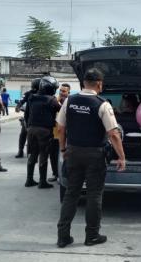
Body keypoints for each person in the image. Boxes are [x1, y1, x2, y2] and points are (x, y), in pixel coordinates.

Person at [57, 68, 125, 248]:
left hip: (72, 152)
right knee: (94, 195)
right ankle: (92, 236)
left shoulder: (69, 101)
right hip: (95, 155)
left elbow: (61, 128)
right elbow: (114, 134)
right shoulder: (102, 104)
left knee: (71, 194)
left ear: (83, 83)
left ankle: (63, 236)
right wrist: (122, 157)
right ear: (99, 84)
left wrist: (63, 148)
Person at [24, 76, 61, 188]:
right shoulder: (52, 100)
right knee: (44, 154)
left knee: (33, 154)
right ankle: (42, 182)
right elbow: (62, 111)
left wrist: (28, 127)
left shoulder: (31, 98)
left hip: (31, 129)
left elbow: (26, 115)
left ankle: (29, 180)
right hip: (44, 131)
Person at [48, 83, 71, 183]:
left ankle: (65, 175)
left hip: (65, 135)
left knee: (64, 156)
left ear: (68, 92)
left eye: (64, 91)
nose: (61, 93)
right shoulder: (54, 101)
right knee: (53, 155)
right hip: (54, 133)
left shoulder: (70, 102)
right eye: (60, 90)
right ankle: (55, 174)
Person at [15, 79, 41, 158]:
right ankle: (20, 150)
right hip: (29, 116)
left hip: (40, 117)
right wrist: (18, 107)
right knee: (23, 133)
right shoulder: (28, 93)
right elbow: (21, 101)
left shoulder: (44, 93)